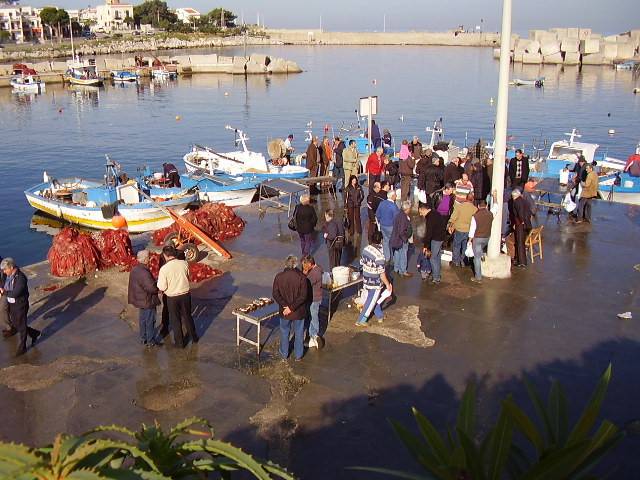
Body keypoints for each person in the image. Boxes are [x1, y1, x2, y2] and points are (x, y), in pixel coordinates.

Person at [157, 246, 198, 347]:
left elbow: (162, 286)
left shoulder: (164, 269)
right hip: (185, 294)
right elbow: (188, 276)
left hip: (172, 297)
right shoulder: (184, 263)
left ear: (165, 255)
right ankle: (194, 337)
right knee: (188, 316)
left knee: (175, 319)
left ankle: (180, 343)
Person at [0, 258, 40, 356]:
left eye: (5, 269)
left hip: (20, 304)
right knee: (17, 324)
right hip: (12, 304)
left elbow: (15, 293)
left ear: (11, 267)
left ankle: (22, 346)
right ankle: (34, 333)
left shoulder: (21, 278)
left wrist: (4, 292)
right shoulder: (8, 276)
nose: (4, 272)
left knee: (21, 325)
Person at [272, 255, 309, 360]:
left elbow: (275, 294)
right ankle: (298, 355)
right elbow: (303, 296)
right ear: (295, 264)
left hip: (285, 312)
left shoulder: (279, 276)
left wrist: (285, 306)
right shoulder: (302, 277)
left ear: (285, 264)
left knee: (284, 332)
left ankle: (284, 353)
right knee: (299, 333)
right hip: (298, 312)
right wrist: (291, 308)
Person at [356, 230, 393, 326]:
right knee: (371, 301)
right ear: (381, 241)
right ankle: (361, 320)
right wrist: (387, 284)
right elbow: (382, 274)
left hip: (366, 279)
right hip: (375, 283)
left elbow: (361, 262)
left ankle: (380, 316)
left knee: (373, 299)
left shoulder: (366, 249)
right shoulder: (379, 256)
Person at [128, 250, 162, 346]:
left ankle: (143, 338)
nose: (150, 259)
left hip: (140, 299)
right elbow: (151, 288)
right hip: (147, 300)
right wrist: (158, 287)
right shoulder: (144, 272)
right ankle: (151, 341)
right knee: (150, 320)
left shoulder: (135, 269)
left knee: (142, 320)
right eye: (149, 257)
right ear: (146, 259)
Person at [418, 202, 447, 283]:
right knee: (437, 257)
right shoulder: (436, 213)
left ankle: (436, 278)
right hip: (441, 238)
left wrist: (425, 245)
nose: (420, 214)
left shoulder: (430, 218)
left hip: (436, 239)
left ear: (424, 209)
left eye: (420, 212)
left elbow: (429, 233)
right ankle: (437, 274)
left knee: (433, 259)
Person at [468, 200, 494, 283]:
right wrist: (496, 199)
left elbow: (472, 229)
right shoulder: (491, 214)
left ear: (478, 206)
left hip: (477, 238)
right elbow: (496, 208)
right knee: (480, 249)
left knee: (477, 258)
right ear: (486, 206)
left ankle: (478, 277)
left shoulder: (475, 216)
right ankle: (481, 253)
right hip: (486, 237)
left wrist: (469, 240)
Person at [448, 195, 478, 267]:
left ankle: (456, 261)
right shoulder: (475, 209)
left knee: (456, 245)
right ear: (473, 199)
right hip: (469, 231)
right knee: (465, 246)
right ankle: (463, 261)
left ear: (466, 198)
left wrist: (450, 225)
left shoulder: (459, 207)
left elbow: (453, 217)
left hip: (459, 229)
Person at [301, 255, 323, 349]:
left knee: (314, 317)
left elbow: (306, 284)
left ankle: (314, 335)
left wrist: (304, 275)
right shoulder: (317, 269)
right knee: (311, 316)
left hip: (314, 299)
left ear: (310, 264)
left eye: (304, 265)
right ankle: (311, 334)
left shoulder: (314, 273)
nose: (303, 267)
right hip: (314, 298)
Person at [508, 189, 532, 268]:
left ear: (514, 196)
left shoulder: (516, 202)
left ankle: (521, 262)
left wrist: (520, 221)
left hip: (520, 225)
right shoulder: (525, 201)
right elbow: (529, 212)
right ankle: (521, 260)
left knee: (520, 243)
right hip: (527, 225)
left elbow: (519, 213)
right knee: (521, 242)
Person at [375, 190, 400, 262]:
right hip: (391, 227)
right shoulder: (394, 206)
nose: (396, 196)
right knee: (393, 242)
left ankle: (387, 258)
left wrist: (379, 224)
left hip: (383, 226)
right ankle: (394, 259)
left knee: (385, 242)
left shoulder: (382, 203)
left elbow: (377, 215)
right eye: (395, 195)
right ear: (392, 196)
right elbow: (397, 219)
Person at [390, 201, 413, 277]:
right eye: (410, 208)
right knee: (403, 255)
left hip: (396, 238)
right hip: (401, 239)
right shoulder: (404, 217)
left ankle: (396, 268)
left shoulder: (398, 214)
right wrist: (405, 239)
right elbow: (401, 231)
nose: (410, 210)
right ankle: (403, 271)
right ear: (407, 208)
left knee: (397, 253)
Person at [344, 175, 364, 243]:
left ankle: (359, 230)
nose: (354, 181)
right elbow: (346, 198)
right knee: (350, 218)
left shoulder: (359, 187)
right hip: (350, 205)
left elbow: (362, 196)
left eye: (355, 180)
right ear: (351, 180)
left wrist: (359, 201)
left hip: (357, 205)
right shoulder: (348, 188)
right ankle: (351, 231)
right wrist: (345, 206)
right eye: (353, 180)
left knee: (357, 218)